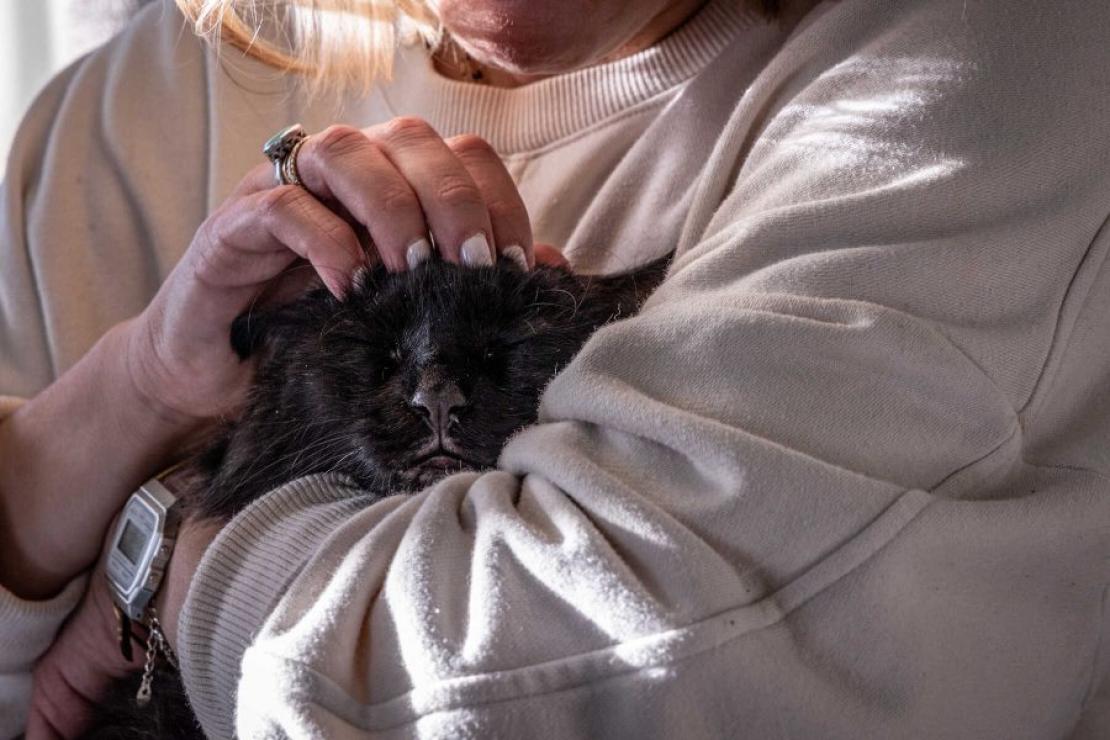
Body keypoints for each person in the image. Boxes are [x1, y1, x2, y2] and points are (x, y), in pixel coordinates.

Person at [2, 0, 1108, 736]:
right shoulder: (131, 110)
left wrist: (164, 562)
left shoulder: (975, 58)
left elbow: (583, 656)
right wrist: (138, 383)